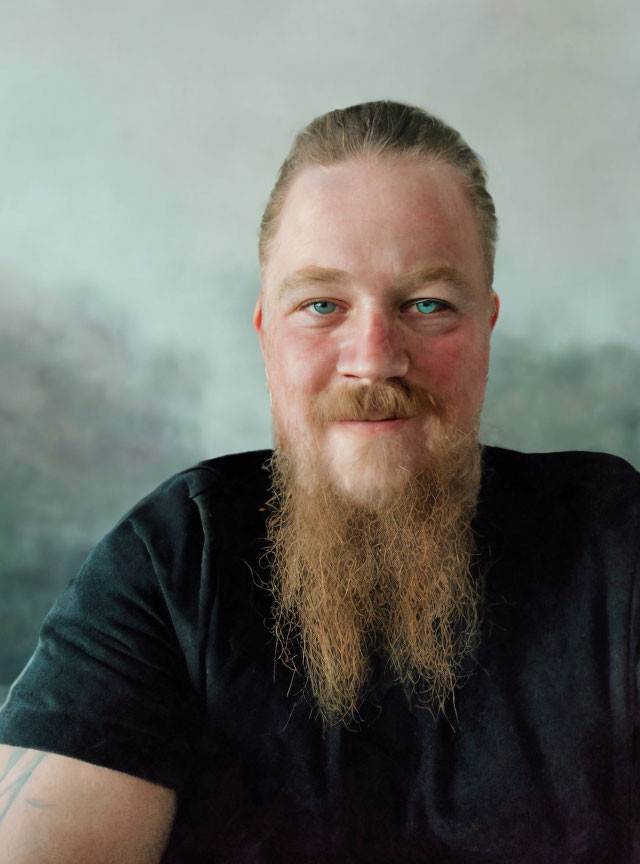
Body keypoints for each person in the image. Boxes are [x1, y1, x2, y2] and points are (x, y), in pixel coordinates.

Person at [0, 100, 638, 863]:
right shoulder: (174, 561)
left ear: (487, 325)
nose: (373, 358)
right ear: (267, 329)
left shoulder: (615, 540)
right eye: (322, 305)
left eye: (427, 304)